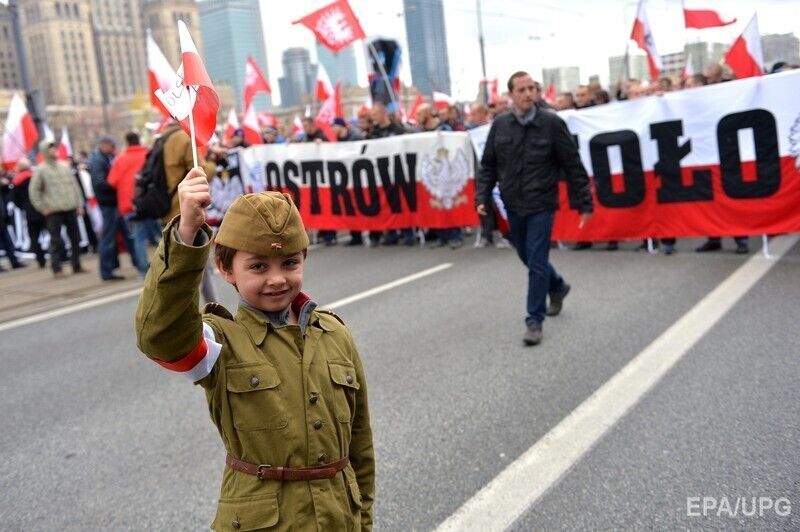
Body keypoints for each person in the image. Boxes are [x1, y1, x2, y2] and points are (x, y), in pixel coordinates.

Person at [135, 174, 375, 531]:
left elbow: (360, 443)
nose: (277, 279)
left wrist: (364, 519)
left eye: (290, 263)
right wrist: (186, 234)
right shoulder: (219, 340)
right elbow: (160, 336)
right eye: (258, 267)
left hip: (340, 519)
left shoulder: (335, 334)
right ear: (225, 269)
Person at [477, 71, 593, 346]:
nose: (528, 93)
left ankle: (534, 320)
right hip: (513, 203)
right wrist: (481, 196)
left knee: (537, 260)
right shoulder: (501, 125)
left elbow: (572, 164)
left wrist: (584, 202)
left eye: (532, 88)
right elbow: (488, 165)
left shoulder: (551, 123)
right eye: (522, 89)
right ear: (511, 95)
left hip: (542, 202)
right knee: (527, 255)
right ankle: (558, 286)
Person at [160, 120, 218, 302]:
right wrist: (213, 163)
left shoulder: (160, 140)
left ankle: (210, 307)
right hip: (185, 210)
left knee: (183, 264)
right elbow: (202, 173)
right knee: (195, 264)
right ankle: (203, 312)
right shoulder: (183, 139)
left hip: (168, 210)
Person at [29, 140, 87, 278]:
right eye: (50, 149)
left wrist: (79, 204)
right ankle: (57, 268)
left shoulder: (64, 167)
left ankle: (76, 264)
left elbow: (75, 187)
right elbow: (34, 191)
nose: (54, 151)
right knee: (56, 240)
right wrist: (42, 207)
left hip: (70, 207)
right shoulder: (41, 170)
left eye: (55, 149)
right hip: (53, 210)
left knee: (75, 238)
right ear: (44, 151)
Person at [106, 132, 150, 276]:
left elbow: (111, 181)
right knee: (164, 235)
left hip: (130, 205)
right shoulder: (148, 154)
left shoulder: (121, 159)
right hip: (151, 202)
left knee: (138, 238)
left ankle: (144, 271)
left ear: (127, 142)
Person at [10, 158, 47, 268]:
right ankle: (61, 254)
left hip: (30, 211)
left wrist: (24, 207)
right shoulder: (36, 176)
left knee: (34, 236)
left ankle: (40, 258)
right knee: (52, 232)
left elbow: (15, 199)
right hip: (42, 208)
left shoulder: (17, 182)